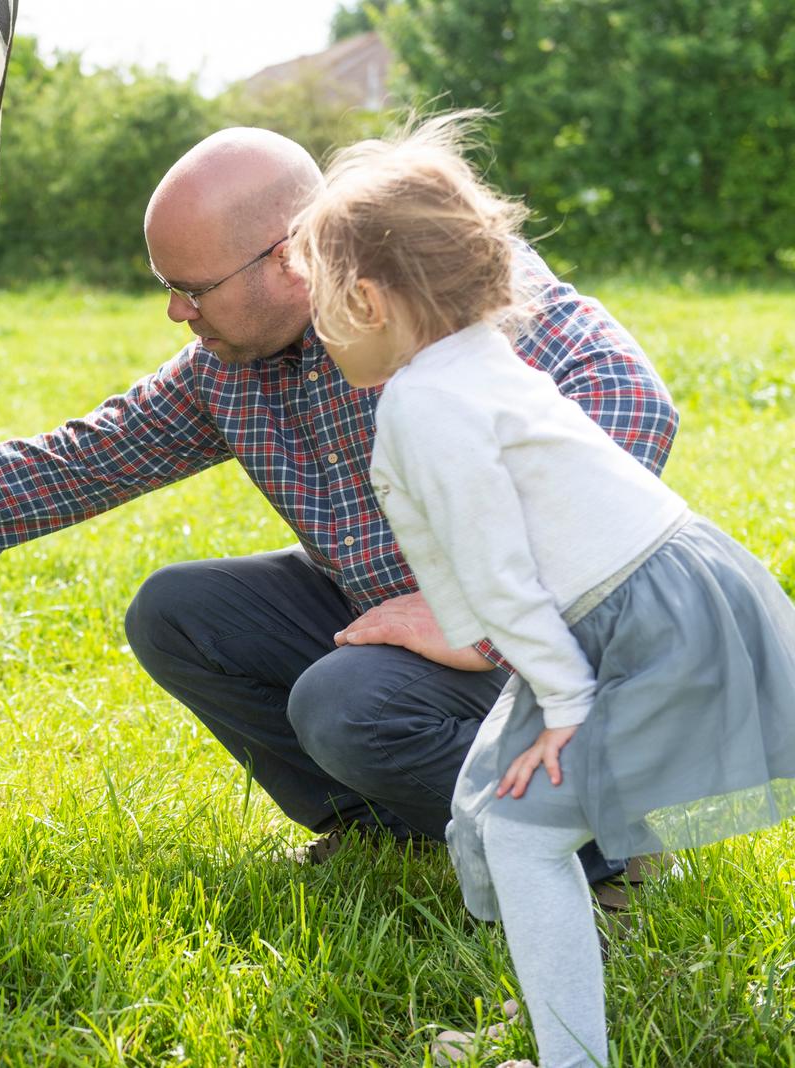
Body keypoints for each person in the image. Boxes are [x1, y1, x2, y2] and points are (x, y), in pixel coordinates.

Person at [0, 124, 677, 894]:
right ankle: (389, 827)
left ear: (289, 256)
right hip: (395, 617)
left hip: (560, 650)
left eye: (188, 290)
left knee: (341, 707)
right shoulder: (228, 372)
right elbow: (69, 467)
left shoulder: (434, 284)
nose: (176, 313)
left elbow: (633, 399)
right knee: (178, 612)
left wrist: (478, 612)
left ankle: (598, 841)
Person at [286, 114, 795, 1067]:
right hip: (673, 590)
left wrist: (562, 707)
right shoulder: (478, 357)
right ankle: (559, 1030)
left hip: (642, 621)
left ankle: (572, 1056)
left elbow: (504, 573)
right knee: (496, 817)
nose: (314, 326)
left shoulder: (423, 403)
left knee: (521, 837)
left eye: (318, 300)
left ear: (365, 298)